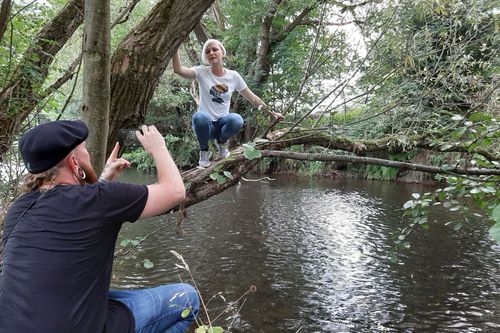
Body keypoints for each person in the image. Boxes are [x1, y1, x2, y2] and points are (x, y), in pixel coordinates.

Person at [0, 120, 200, 333]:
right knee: (187, 298)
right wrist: (157, 147)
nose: (87, 155)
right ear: (74, 162)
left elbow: (74, 212)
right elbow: (175, 192)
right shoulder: (98, 200)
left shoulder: (17, 210)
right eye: (84, 150)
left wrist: (103, 182)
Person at [172, 38, 284, 168]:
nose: (212, 53)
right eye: (208, 51)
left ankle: (221, 143)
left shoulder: (233, 76)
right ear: (206, 57)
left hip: (222, 126)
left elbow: (253, 98)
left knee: (237, 119)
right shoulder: (201, 72)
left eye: (215, 49)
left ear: (222, 53)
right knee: (199, 117)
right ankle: (204, 151)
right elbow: (178, 70)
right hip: (206, 126)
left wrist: (271, 113)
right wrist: (175, 49)